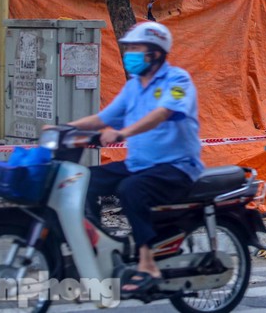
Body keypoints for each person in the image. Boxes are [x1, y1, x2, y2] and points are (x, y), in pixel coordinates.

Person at [66, 21, 203, 296]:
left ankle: (148, 264)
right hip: (139, 165)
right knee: (82, 181)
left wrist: (124, 132)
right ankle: (99, 248)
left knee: (131, 190)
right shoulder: (133, 88)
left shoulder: (178, 81)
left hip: (176, 167)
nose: (130, 54)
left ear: (154, 52)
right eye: (128, 48)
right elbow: (103, 118)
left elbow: (163, 112)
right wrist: (66, 129)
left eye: (136, 48)